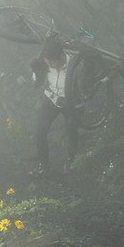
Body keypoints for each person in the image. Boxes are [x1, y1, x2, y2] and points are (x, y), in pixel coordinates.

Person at [29, 36, 79, 175]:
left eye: (53, 62)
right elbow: (36, 81)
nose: (50, 64)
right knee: (39, 132)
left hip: (71, 101)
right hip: (51, 98)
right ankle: (44, 166)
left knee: (71, 131)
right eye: (47, 61)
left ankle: (71, 160)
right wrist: (36, 72)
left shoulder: (75, 64)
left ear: (61, 56)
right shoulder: (45, 62)